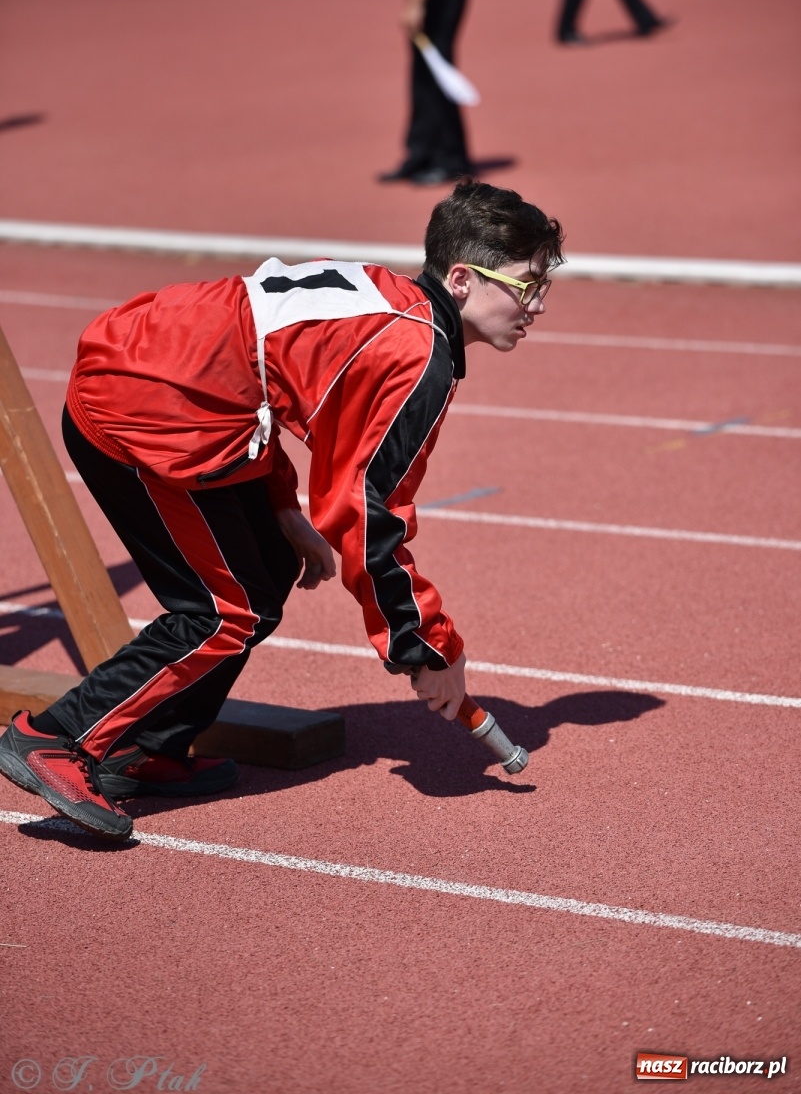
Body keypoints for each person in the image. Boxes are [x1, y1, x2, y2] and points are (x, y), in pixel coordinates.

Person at [0, 179, 564, 842]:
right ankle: (58, 735)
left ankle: (147, 747)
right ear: (462, 279)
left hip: (169, 384)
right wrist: (427, 646)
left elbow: (256, 370)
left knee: (265, 570)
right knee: (222, 612)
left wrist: (281, 506)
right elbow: (366, 512)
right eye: (527, 284)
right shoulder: (416, 354)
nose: (539, 304)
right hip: (142, 409)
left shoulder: (393, 301)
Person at [374, 0, 475, 185]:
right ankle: (421, 154)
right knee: (423, 75)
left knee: (435, 74)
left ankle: (450, 159)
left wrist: (416, 3)